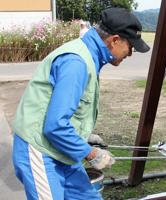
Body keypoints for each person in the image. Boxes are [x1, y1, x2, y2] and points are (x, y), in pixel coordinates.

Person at [12, 7, 150, 200]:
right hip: (41, 150)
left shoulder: (90, 55)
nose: (131, 53)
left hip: (62, 149)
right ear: (115, 40)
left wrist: (84, 135)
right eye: (131, 46)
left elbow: (67, 112)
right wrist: (91, 153)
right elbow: (55, 126)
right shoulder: (76, 62)